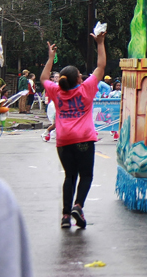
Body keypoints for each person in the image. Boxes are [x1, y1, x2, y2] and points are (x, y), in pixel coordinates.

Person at [40, 32, 106, 229]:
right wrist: (100, 43)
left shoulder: (56, 91)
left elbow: (43, 77)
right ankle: (78, 205)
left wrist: (51, 58)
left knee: (69, 176)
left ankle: (66, 216)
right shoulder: (85, 89)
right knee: (86, 176)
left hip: (64, 141)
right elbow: (101, 66)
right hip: (84, 140)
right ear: (78, 78)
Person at [42, 72, 59, 142]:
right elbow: (47, 93)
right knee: (56, 123)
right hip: (55, 106)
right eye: (55, 77)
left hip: (61, 105)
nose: (56, 78)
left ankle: (54, 133)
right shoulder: (53, 85)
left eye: (58, 76)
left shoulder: (63, 85)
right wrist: (46, 99)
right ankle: (45, 133)